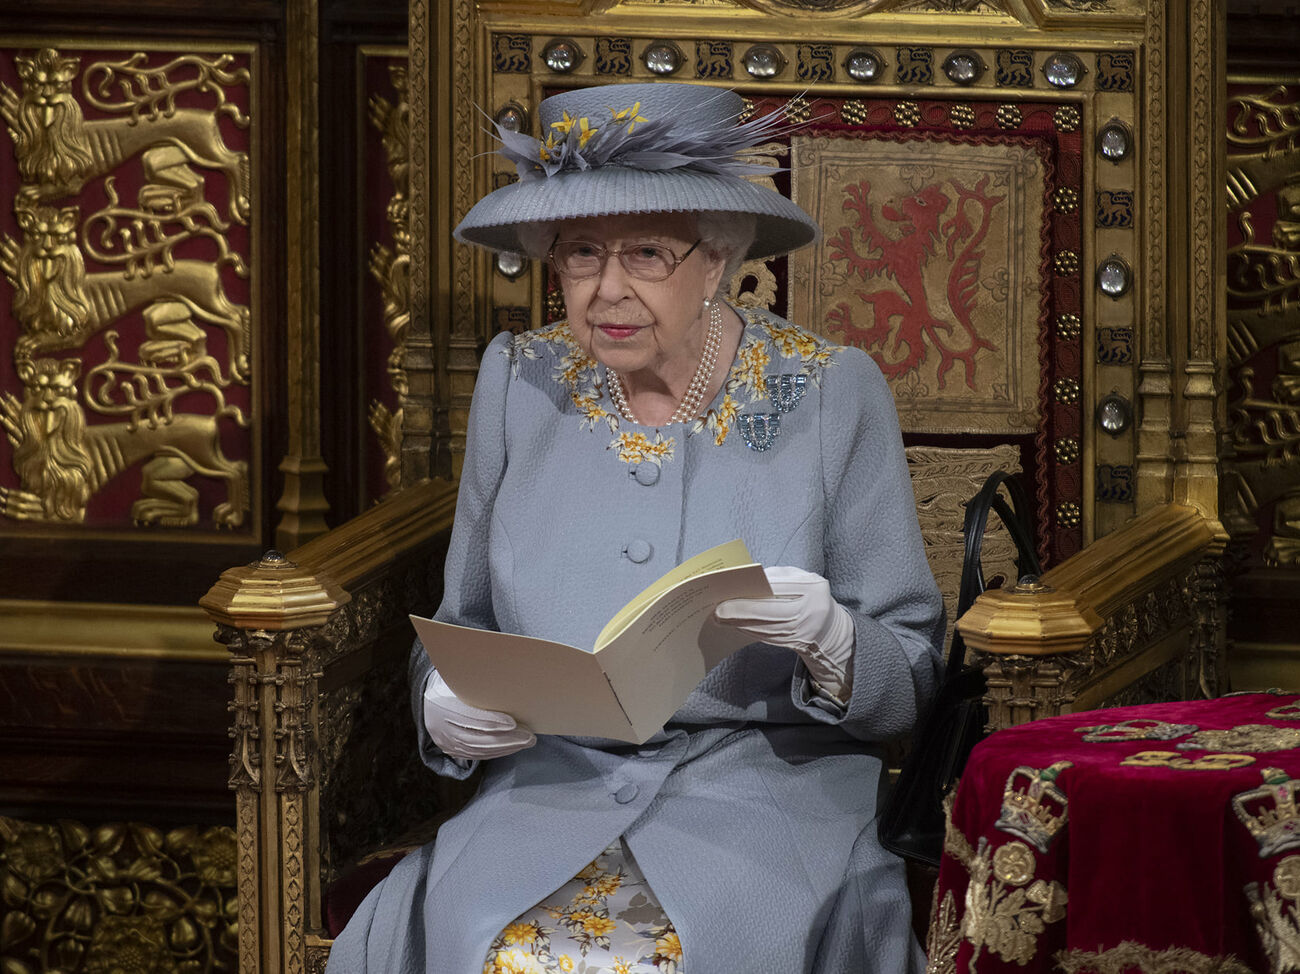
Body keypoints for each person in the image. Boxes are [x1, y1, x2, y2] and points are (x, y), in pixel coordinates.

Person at [327, 81, 945, 974]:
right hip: (545, 790)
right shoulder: (520, 379)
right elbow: (459, 624)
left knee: (691, 955)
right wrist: (444, 707)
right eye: (580, 254)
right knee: (489, 948)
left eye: (647, 253)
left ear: (719, 259)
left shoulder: (830, 389)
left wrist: (836, 641)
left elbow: (912, 670)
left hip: (765, 797)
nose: (607, 291)